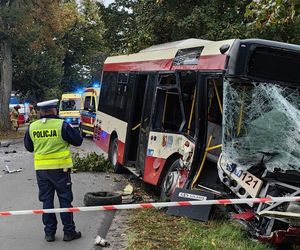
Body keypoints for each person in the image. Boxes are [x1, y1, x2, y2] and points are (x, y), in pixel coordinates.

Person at [24, 99, 83, 242]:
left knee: (46, 201)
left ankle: (49, 233)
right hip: (61, 170)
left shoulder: (33, 127)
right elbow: (78, 141)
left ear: (40, 112)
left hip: (42, 171)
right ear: (54, 110)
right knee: (64, 199)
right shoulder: (62, 125)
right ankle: (69, 232)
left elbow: (29, 147)